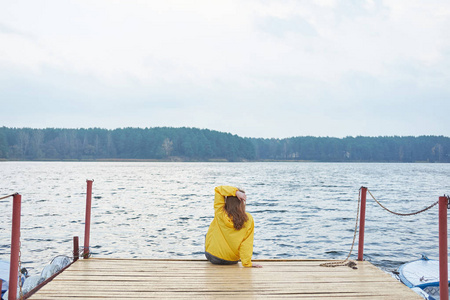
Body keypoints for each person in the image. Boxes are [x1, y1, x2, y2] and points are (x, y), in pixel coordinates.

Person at [205, 185, 262, 268]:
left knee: (209, 233)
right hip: (231, 260)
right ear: (242, 202)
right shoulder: (248, 219)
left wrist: (235, 192)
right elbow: (246, 244)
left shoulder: (220, 212)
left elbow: (218, 190)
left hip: (213, 257)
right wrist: (247, 263)